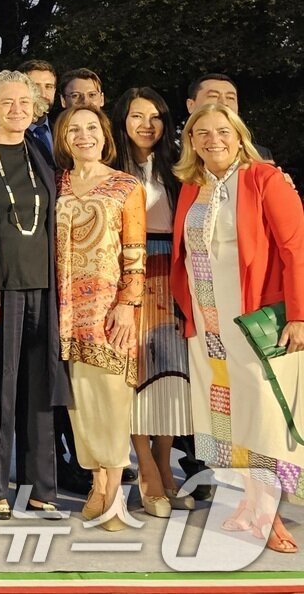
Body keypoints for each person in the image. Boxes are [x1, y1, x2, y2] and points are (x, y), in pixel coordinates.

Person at [170, 104, 303, 554]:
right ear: (190, 140)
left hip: (252, 319)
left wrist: (301, 315)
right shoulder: (192, 187)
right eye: (201, 133)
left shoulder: (264, 179)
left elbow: (295, 248)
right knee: (224, 419)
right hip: (207, 321)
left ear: (239, 134)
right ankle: (249, 503)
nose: (213, 140)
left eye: (222, 131)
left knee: (262, 416)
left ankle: (270, 515)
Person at [0, 71, 65, 520]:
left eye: (25, 102)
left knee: (40, 389)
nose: (17, 109)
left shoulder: (41, 151)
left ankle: (40, 484)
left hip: (44, 286)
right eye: (7, 102)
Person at [53, 104, 145, 531]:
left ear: (105, 135)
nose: (84, 135)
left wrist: (129, 303)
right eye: (75, 129)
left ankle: (114, 490)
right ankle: (96, 482)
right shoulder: (56, 184)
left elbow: (135, 254)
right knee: (81, 400)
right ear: (63, 137)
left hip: (111, 311)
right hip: (66, 312)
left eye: (92, 128)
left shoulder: (126, 186)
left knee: (112, 398)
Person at [110, 88, 192, 517]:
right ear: (121, 120)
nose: (147, 125)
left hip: (172, 274)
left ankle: (165, 461)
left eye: (156, 116)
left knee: (170, 375)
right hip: (127, 275)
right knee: (135, 372)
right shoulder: (109, 170)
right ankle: (145, 468)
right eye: (137, 116)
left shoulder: (180, 169)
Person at [17, 60, 57, 160]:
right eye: (35, 86)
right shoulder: (0, 137)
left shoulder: (63, 133)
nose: (43, 94)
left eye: (49, 86)